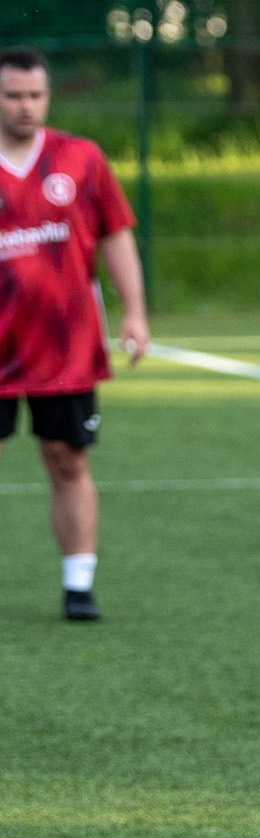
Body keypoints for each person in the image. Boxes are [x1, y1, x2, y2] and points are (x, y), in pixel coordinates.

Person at [0, 46, 149, 621]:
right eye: (13, 95)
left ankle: (78, 587)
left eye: (35, 95)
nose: (26, 106)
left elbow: (115, 234)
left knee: (68, 460)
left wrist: (134, 311)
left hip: (65, 347)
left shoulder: (80, 158)